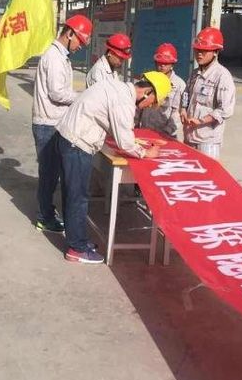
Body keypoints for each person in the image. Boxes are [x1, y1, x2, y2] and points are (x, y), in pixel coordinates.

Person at [54, 71, 170, 264]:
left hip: (70, 138)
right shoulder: (124, 101)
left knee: (73, 195)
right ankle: (76, 248)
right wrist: (145, 153)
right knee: (78, 197)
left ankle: (78, 240)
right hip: (77, 144)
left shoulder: (117, 87)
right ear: (147, 92)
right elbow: (125, 142)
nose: (150, 106)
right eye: (153, 102)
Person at [32, 14, 93, 232]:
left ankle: (47, 212)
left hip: (54, 121)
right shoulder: (54, 57)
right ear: (70, 34)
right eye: (80, 41)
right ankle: (45, 217)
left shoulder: (61, 56)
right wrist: (83, 97)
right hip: (48, 123)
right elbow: (57, 93)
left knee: (52, 172)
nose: (80, 47)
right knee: (49, 174)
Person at [180, 26, 236, 160]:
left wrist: (201, 121)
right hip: (189, 136)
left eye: (204, 51)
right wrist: (183, 110)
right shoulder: (195, 74)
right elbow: (186, 94)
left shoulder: (222, 76)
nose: (199, 54)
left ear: (215, 52)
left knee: (206, 171)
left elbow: (225, 110)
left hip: (207, 140)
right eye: (197, 50)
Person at [137, 43, 186, 140]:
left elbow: (176, 114)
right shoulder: (148, 79)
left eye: (166, 63)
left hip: (166, 135)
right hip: (144, 132)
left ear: (172, 64)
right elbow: (138, 107)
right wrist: (135, 126)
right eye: (159, 62)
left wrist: (165, 133)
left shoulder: (179, 85)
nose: (162, 65)